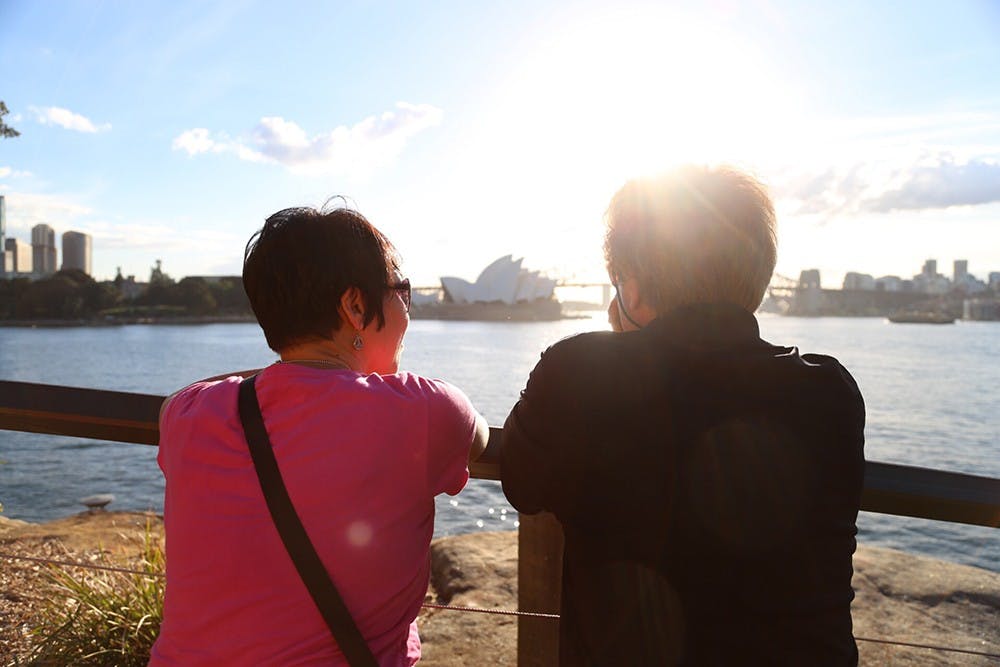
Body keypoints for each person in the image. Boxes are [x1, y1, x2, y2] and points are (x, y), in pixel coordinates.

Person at [501, 165, 865, 666]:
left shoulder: (577, 373)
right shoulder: (831, 392)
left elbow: (522, 483)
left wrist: (623, 347)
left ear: (631, 286)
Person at [151, 204, 489, 665]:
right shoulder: (422, 411)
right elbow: (480, 437)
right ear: (354, 306)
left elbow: (176, 398)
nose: (406, 310)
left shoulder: (191, 413)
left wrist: (292, 366)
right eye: (401, 292)